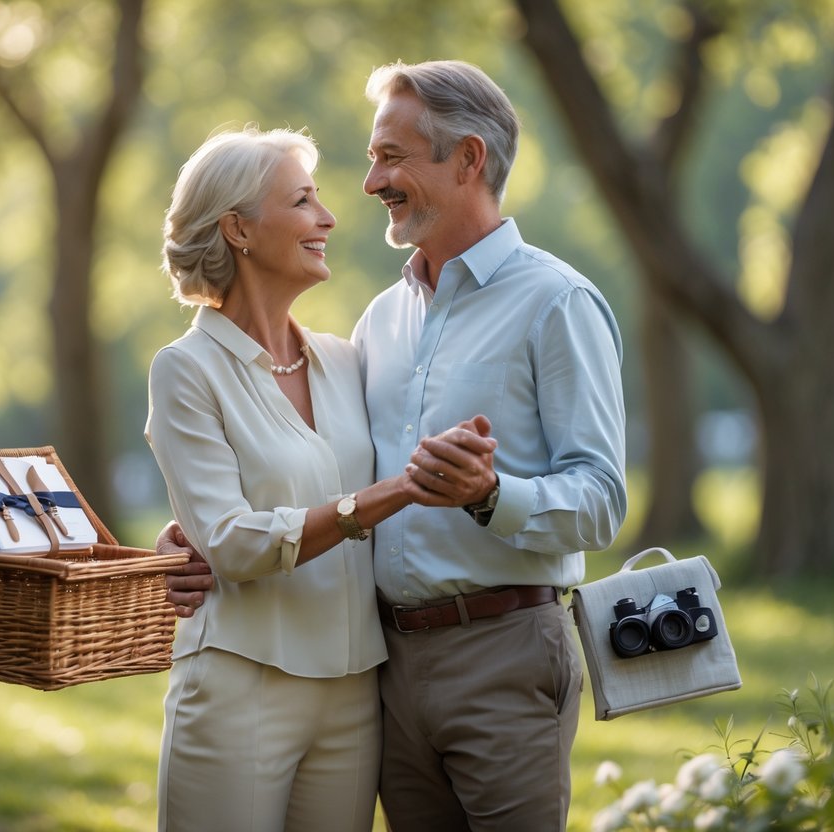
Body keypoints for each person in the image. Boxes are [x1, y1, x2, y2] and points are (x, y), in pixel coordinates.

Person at [163, 60, 627, 830]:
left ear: (468, 159)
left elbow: (602, 502)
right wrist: (202, 538)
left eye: (391, 157)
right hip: (383, 668)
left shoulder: (556, 302)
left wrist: (490, 495)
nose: (369, 180)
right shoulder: (376, 325)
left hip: (503, 650)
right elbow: (316, 465)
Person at [146, 127, 497, 832]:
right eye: (303, 201)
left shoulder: (345, 359)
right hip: (240, 684)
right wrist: (394, 490)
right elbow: (233, 543)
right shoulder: (185, 369)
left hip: (352, 692)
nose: (329, 218)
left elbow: (250, 520)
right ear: (239, 229)